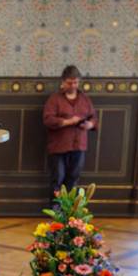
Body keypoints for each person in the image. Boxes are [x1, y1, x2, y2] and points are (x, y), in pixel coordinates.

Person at [42, 65, 96, 196]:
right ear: (63, 82)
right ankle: (56, 212)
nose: (73, 85)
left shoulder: (85, 99)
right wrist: (67, 122)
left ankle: (70, 212)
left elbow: (94, 118)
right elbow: (47, 120)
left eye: (76, 82)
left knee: (73, 179)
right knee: (57, 179)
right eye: (70, 83)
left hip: (79, 145)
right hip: (58, 146)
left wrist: (90, 124)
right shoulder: (54, 99)